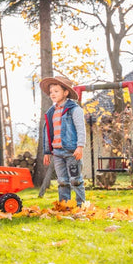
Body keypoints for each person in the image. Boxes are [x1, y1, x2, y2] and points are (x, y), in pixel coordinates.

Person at [41, 76, 86, 207]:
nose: (52, 94)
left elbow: (80, 129)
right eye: (51, 92)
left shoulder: (74, 109)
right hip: (57, 152)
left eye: (56, 91)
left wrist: (80, 146)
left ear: (65, 92)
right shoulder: (51, 112)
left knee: (75, 180)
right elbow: (48, 133)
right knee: (62, 181)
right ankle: (65, 206)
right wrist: (47, 151)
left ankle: (81, 206)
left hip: (72, 151)